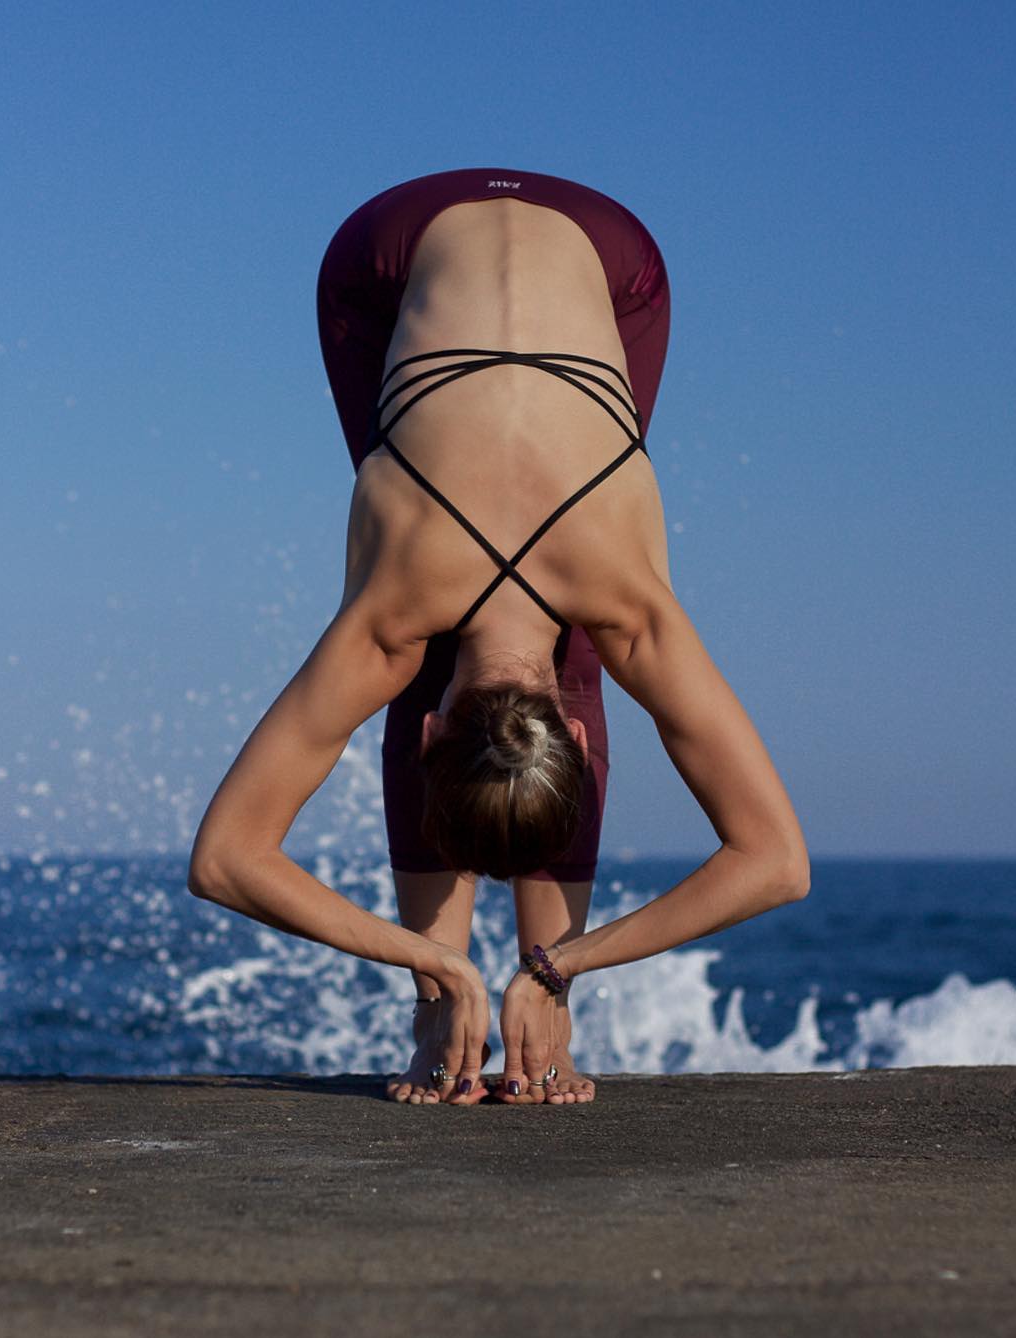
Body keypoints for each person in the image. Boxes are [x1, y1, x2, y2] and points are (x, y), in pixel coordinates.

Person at [187, 167, 810, 1107]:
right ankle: (447, 999)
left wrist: (550, 963)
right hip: (522, 246)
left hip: (563, 252)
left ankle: (460, 1002)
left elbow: (227, 854)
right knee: (561, 641)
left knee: (438, 649)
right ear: (584, 746)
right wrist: (513, 960)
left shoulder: (391, 621)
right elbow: (776, 860)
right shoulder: (620, 608)